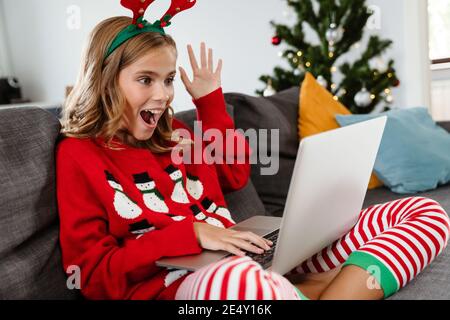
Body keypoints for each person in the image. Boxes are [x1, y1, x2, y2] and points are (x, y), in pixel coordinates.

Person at [57, 4, 450, 301]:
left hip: (252, 253)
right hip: (185, 285)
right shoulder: (79, 154)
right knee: (242, 283)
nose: (162, 95)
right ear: (106, 80)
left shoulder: (176, 134)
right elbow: (91, 275)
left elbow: (234, 176)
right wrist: (190, 233)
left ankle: (297, 289)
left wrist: (211, 103)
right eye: (146, 79)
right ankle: (305, 288)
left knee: (423, 212)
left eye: (168, 80)